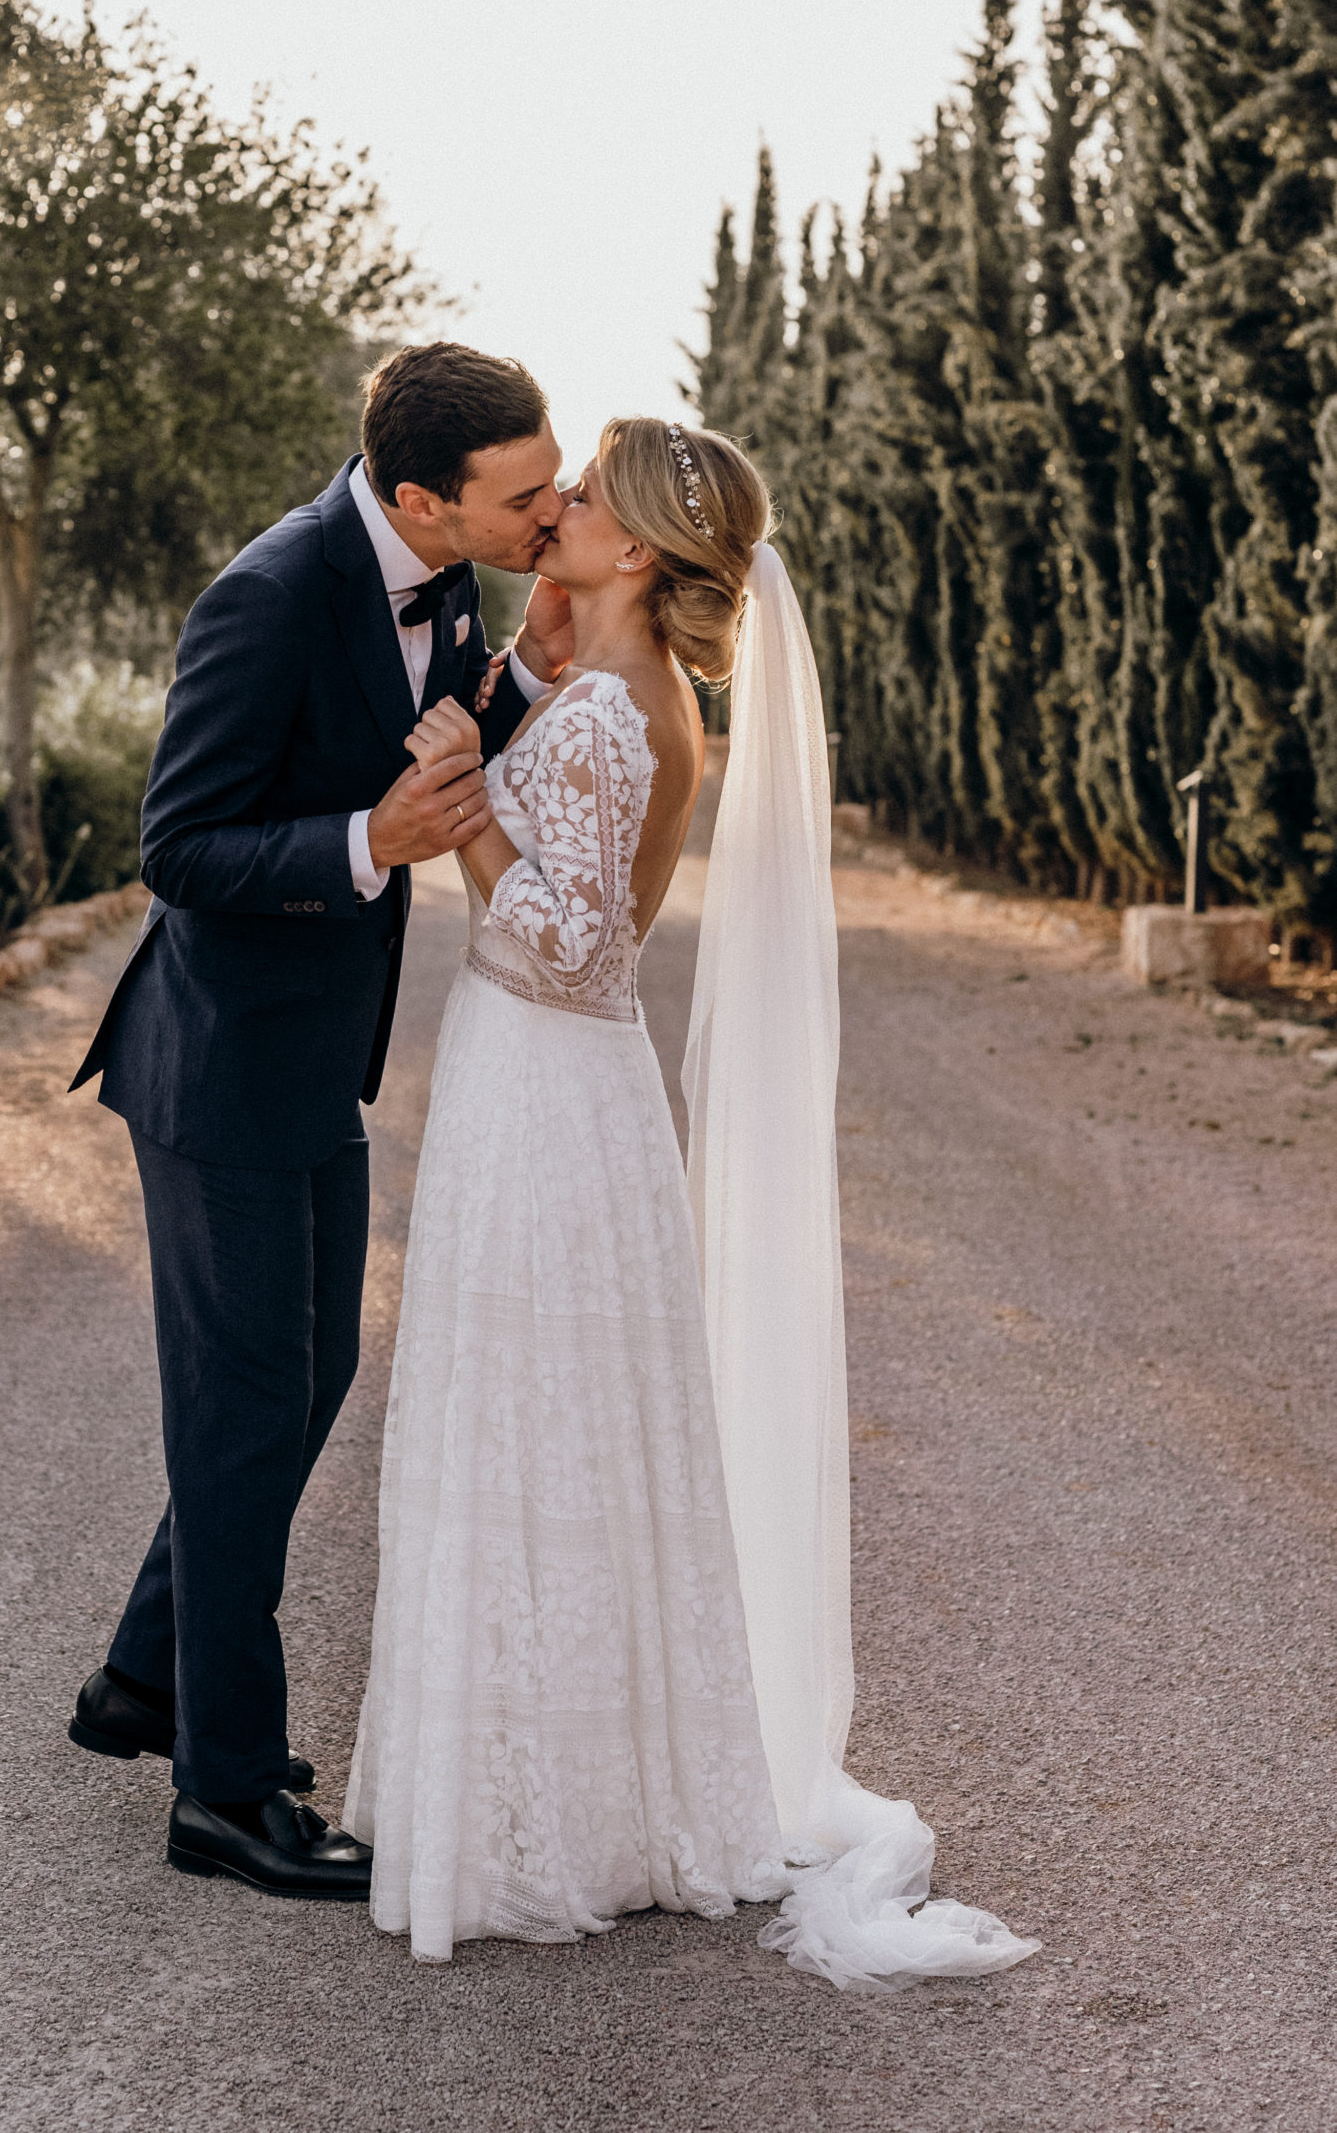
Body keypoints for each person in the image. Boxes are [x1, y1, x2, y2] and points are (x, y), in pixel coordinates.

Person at [346, 416, 1040, 1989]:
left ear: (637, 550)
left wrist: (461, 804)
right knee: (567, 1431)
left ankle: (539, 1822)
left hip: (544, 1077)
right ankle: (602, 1798)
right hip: (566, 1090)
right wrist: (499, 730)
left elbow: (565, 947)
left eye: (583, 492)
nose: (562, 506)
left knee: (526, 1428)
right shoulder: (613, 693)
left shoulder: (610, 715)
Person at [66, 341, 573, 1900]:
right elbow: (180, 846)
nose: (550, 516)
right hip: (217, 1063)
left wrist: (532, 674)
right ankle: (221, 1792)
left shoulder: (447, 573)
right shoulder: (270, 593)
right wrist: (367, 839)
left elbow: (430, 731)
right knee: (243, 1402)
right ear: (423, 495)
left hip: (311, 1059)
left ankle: (144, 1678)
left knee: (310, 1372)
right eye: (526, 496)